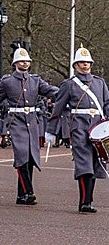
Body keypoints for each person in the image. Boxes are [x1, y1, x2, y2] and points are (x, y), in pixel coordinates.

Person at [0, 47, 58, 206]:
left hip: (32, 121)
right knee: (21, 155)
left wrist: (66, 91)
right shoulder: (8, 81)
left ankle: (21, 195)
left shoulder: (35, 80)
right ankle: (29, 191)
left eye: (27, 61)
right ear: (16, 63)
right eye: (22, 61)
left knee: (30, 158)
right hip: (16, 121)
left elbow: (50, 91)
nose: (25, 63)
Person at [52, 46, 109, 213]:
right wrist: (51, 129)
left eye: (87, 62)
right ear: (75, 65)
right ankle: (85, 202)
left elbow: (107, 104)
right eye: (82, 62)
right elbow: (58, 107)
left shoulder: (99, 82)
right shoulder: (69, 85)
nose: (85, 65)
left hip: (97, 127)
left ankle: (88, 200)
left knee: (95, 163)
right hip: (79, 127)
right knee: (84, 165)